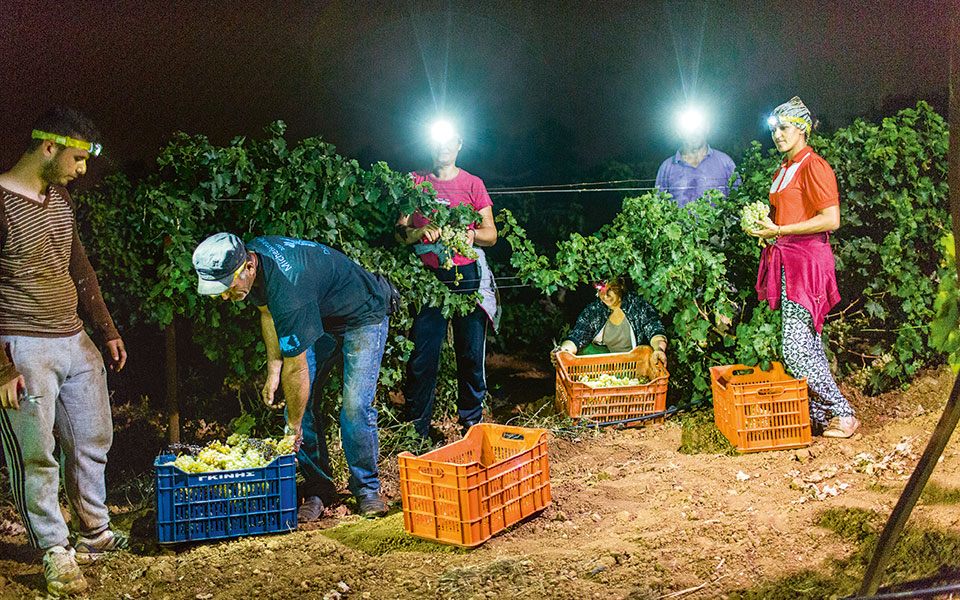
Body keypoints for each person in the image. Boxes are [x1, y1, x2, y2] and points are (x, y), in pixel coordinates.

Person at [0, 107, 128, 595]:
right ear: (48, 147)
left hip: (73, 337)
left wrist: (105, 329)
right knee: (36, 454)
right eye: (77, 158)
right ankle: (54, 549)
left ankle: (95, 532)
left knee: (93, 438)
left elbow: (79, 265)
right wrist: (2, 367)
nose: (82, 169)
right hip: (22, 343)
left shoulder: (60, 199)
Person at [192, 233, 396, 520]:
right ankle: (318, 489)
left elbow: (298, 368)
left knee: (354, 407)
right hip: (321, 314)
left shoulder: (289, 289)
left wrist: (293, 430)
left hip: (363, 314)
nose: (225, 296)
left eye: (227, 286)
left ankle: (366, 489)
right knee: (298, 402)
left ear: (248, 267)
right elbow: (267, 313)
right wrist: (273, 368)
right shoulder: (253, 263)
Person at [748, 96, 859, 438]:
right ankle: (821, 415)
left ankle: (843, 413)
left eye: (784, 128)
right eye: (774, 129)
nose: (777, 135)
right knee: (807, 345)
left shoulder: (814, 166)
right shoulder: (784, 168)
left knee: (795, 350)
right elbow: (784, 217)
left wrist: (780, 230)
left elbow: (831, 219)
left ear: (802, 129)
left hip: (807, 263)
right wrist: (767, 231)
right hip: (787, 261)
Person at [395, 123, 498, 440]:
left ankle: (472, 425)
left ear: (459, 144)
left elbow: (491, 234)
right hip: (429, 278)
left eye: (449, 140)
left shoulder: (473, 183)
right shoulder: (415, 181)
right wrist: (417, 232)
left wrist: (472, 235)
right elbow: (399, 231)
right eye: (438, 140)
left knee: (470, 352)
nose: (444, 146)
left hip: (466, 276)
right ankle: (417, 431)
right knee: (423, 355)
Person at [550, 278, 668, 371]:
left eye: (611, 289)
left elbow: (655, 330)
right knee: (583, 351)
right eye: (600, 290)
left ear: (621, 284)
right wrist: (563, 351)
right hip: (605, 366)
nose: (605, 295)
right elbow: (578, 336)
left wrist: (659, 349)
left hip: (633, 365)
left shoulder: (637, 306)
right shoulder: (595, 310)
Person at [655, 109, 738, 207]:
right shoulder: (667, 168)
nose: (693, 134)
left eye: (698, 128)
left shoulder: (725, 162)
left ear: (707, 129)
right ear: (679, 133)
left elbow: (737, 199)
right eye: (688, 130)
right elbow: (658, 204)